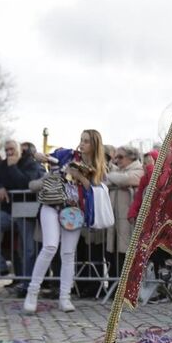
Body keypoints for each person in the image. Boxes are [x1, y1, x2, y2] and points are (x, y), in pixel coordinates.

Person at [23, 129, 107, 313]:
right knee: (50, 247)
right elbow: (46, 158)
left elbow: (95, 188)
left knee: (68, 254)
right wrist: (39, 156)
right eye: (81, 140)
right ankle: (32, 292)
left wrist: (80, 176)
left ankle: (65, 297)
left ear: (94, 145)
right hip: (52, 205)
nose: (82, 144)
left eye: (86, 141)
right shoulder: (66, 154)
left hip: (74, 212)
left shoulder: (98, 166)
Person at [0, 140, 45, 294]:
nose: (8, 152)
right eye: (6, 150)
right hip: (8, 211)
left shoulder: (29, 163)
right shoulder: (3, 164)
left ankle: (28, 286)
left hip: (26, 211)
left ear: (19, 150)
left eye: (12, 149)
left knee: (27, 249)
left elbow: (26, 184)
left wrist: (13, 167)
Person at [104, 145, 145, 278]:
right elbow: (104, 182)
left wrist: (112, 178)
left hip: (129, 221)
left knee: (125, 252)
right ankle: (113, 285)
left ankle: (124, 289)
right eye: (116, 157)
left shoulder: (139, 169)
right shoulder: (119, 172)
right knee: (112, 253)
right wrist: (115, 179)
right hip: (115, 219)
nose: (117, 160)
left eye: (120, 157)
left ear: (131, 157)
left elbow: (127, 179)